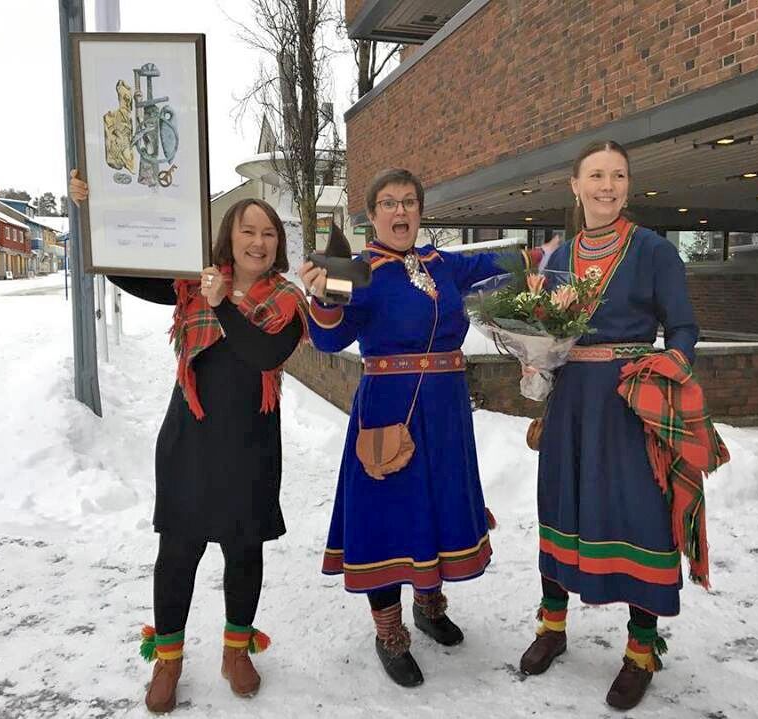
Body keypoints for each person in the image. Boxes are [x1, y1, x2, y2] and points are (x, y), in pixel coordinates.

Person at [299, 168, 560, 687]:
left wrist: (547, 255)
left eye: (410, 203)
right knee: (389, 513)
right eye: (389, 204)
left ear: (420, 211)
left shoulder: (443, 265)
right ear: (371, 215)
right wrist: (324, 298)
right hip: (389, 412)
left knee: (436, 505)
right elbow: (328, 340)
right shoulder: (358, 270)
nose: (401, 212)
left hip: (444, 413)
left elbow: (496, 262)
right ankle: (389, 630)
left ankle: (427, 603)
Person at [69, 171, 308, 713]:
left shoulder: (288, 301)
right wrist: (92, 211)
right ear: (230, 236)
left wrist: (225, 304)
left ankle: (235, 650)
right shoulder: (191, 281)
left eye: (268, 233)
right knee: (178, 552)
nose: (258, 242)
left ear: (279, 245)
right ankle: (169, 658)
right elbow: (124, 268)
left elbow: (263, 356)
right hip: (189, 441)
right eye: (248, 230)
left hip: (251, 447)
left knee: (244, 550)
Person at [517, 141, 726, 710]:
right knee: (560, 504)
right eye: (596, 176)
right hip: (570, 406)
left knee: (638, 516)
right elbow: (547, 331)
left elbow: (683, 328)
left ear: (628, 186)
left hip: (629, 405)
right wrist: (533, 354)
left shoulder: (654, 252)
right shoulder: (556, 259)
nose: (607, 186)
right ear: (575, 186)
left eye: (618, 176)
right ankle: (552, 627)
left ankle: (640, 652)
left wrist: (671, 363)